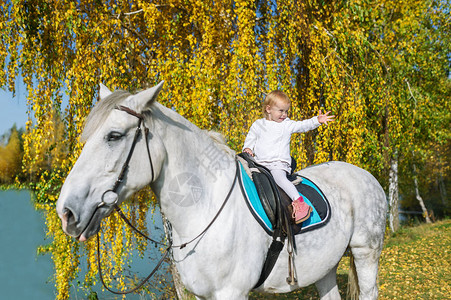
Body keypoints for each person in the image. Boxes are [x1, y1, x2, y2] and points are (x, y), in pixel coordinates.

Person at [243, 90, 334, 224]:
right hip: (260, 163)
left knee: (279, 178)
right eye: (281, 111)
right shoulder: (258, 124)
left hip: (278, 164)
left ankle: (299, 202)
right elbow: (251, 138)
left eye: (286, 111)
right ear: (268, 109)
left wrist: (317, 121)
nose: (284, 115)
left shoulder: (287, 124)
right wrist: (248, 148)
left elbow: (303, 125)